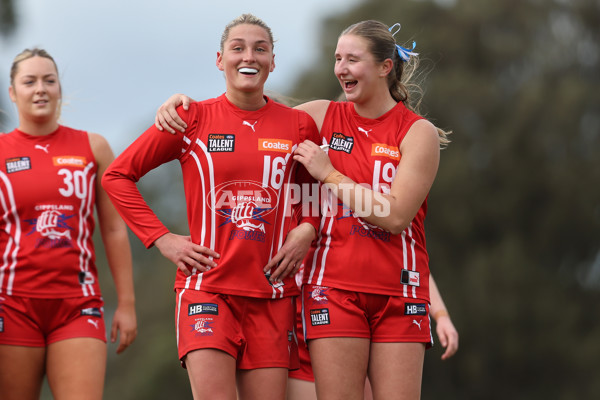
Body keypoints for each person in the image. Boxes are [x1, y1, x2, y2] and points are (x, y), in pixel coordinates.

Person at [155, 19, 452, 400]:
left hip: (400, 292)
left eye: (353, 59)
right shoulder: (317, 117)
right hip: (333, 290)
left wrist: (328, 173)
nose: (341, 68)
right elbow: (247, 113)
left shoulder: (417, 132)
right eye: (337, 58)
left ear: (385, 66)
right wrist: (184, 106)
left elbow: (396, 217)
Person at [101, 14, 321, 400]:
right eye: (237, 48)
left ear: (273, 61)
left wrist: (308, 228)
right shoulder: (190, 117)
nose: (248, 56)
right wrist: (163, 239)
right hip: (206, 290)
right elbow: (117, 176)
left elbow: (314, 195)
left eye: (260, 48)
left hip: (271, 297)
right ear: (220, 60)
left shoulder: (300, 125)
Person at [0, 48, 137, 400]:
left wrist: (126, 303)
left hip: (79, 305)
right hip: (12, 305)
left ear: (61, 88)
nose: (40, 89)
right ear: (13, 92)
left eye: (49, 80)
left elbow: (113, 228)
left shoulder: (93, 147)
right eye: (29, 81)